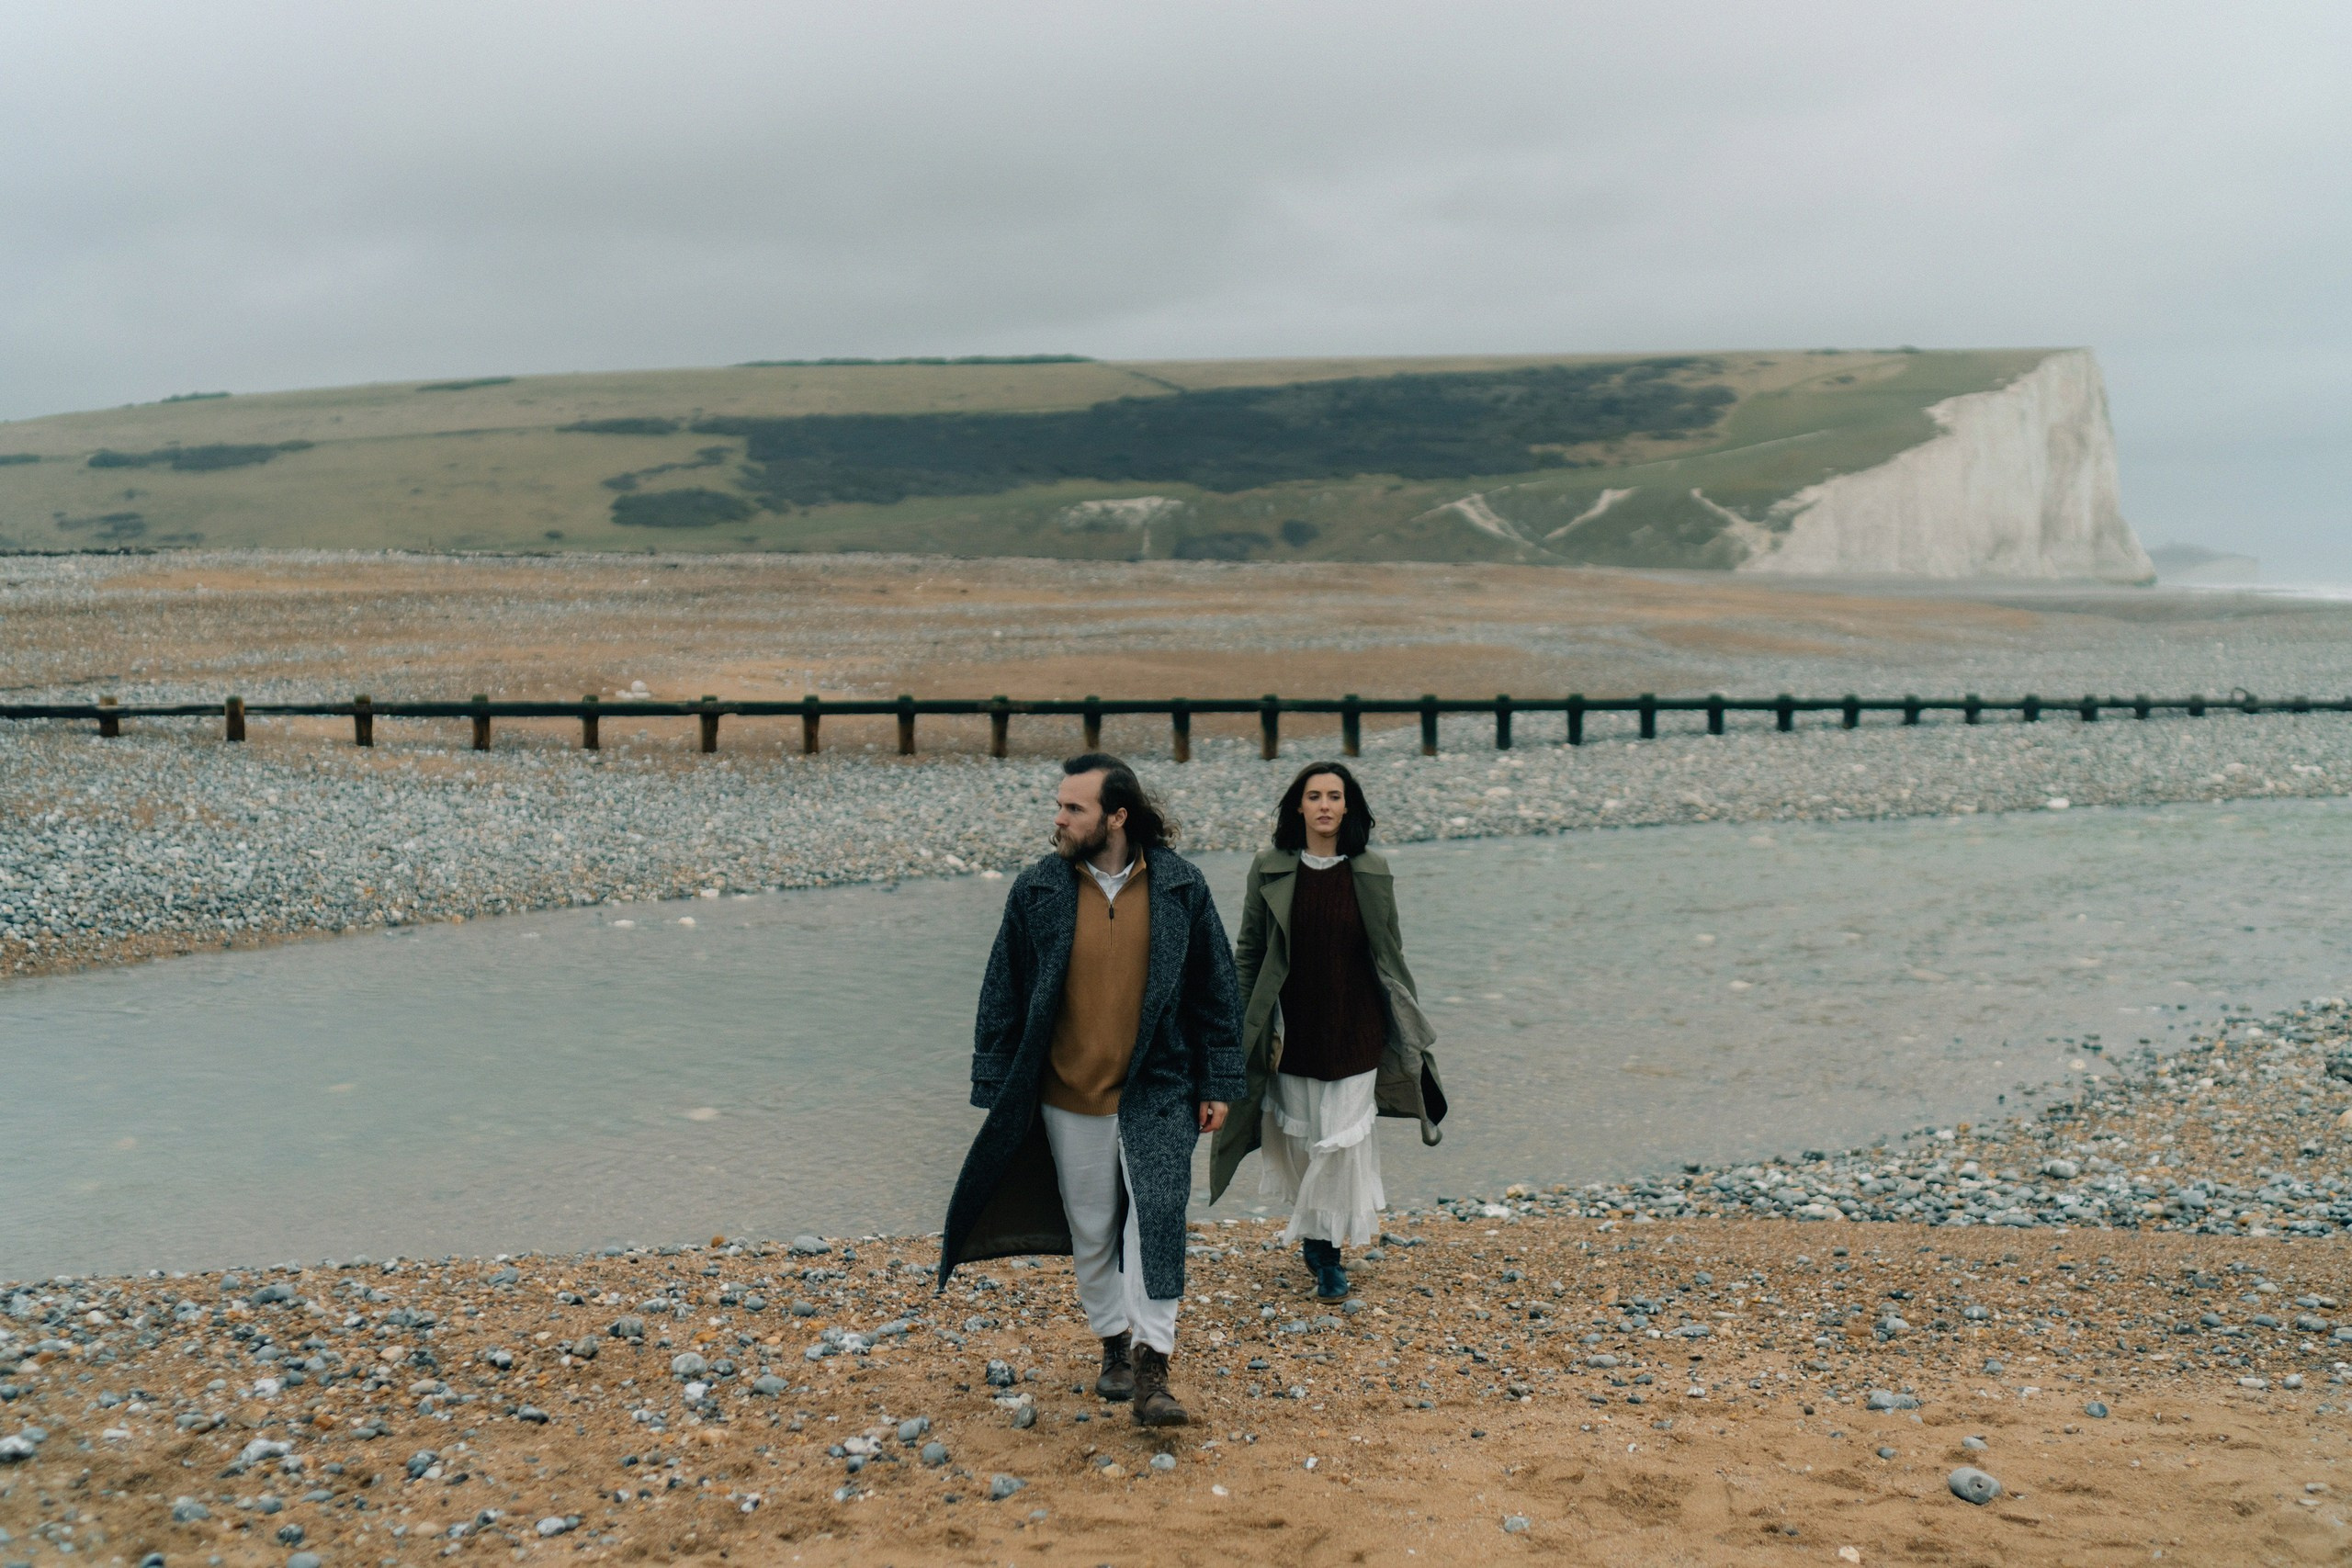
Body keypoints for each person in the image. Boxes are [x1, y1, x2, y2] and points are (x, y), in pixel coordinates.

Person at [939, 752, 1245, 1427]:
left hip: (1159, 1086)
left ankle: (1152, 1366)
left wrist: (1219, 1078)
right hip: (1066, 1092)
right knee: (1093, 1227)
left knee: (1160, 1212)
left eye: (1073, 807)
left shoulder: (1181, 887)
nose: (1059, 818)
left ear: (1117, 815)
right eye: (1059, 805)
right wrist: (994, 1081)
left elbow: (1216, 989)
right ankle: (1112, 1341)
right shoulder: (1037, 890)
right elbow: (1003, 989)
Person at [1210, 761, 1446, 1303]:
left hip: (1356, 1026)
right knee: (1302, 1140)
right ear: (1299, 806)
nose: (1323, 805)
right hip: (1289, 1029)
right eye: (1313, 795)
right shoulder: (1269, 866)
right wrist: (1240, 1021)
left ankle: (1324, 1252)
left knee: (1339, 1141)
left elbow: (1390, 951)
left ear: (1348, 807)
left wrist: (1406, 1026)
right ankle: (1318, 1242)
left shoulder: (1371, 869)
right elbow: (1248, 950)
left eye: (1333, 796)